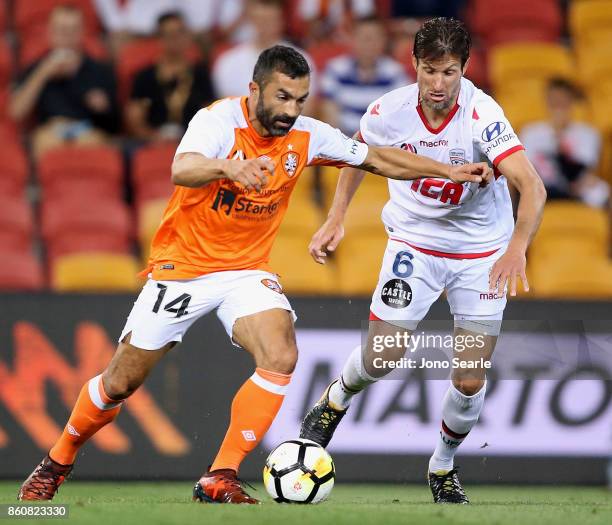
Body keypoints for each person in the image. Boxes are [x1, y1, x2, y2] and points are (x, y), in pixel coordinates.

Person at [17, 44, 491, 504]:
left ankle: (220, 475)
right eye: (282, 97)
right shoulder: (218, 120)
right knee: (120, 382)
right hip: (183, 268)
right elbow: (182, 169)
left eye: (300, 99)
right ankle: (57, 461)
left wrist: (444, 171)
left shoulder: (305, 134)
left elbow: (376, 157)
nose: (291, 109)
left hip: (244, 271)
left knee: (281, 352)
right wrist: (230, 167)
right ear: (255, 89)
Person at [299, 17, 547, 504]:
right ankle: (336, 399)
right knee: (383, 356)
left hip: (481, 253)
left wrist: (517, 247)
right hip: (414, 243)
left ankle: (442, 465)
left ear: (465, 69)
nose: (438, 84)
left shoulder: (482, 115)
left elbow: (532, 186)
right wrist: (336, 217)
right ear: (413, 64)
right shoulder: (389, 110)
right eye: (429, 71)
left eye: (449, 73)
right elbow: (358, 156)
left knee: (470, 376)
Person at [10, 5, 119, 159]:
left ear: (82, 33)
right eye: (61, 30)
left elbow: (115, 125)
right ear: (50, 32)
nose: (67, 37)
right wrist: (43, 73)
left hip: (87, 131)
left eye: (72, 30)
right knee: (45, 141)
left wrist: (103, 107)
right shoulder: (35, 68)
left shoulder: (100, 70)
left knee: (93, 144)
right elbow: (16, 112)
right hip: (50, 131)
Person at [212, 0, 317, 115]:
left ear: (281, 20)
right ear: (251, 19)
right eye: (260, 20)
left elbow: (305, 108)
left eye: (269, 20)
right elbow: (227, 109)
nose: (264, 26)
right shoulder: (229, 61)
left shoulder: (301, 60)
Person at [126, 12, 214, 142]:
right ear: (159, 39)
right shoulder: (145, 76)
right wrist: (152, 137)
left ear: (188, 36)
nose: (176, 40)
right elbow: (134, 118)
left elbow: (210, 114)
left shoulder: (200, 74)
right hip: (152, 143)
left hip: (194, 142)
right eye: (170, 35)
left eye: (180, 33)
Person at [520, 77, 608, 208]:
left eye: (563, 102)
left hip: (578, 187)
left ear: (571, 102)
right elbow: (525, 170)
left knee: (602, 191)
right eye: (555, 102)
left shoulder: (588, 133)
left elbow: (586, 169)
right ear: (547, 101)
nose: (559, 108)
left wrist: (559, 137)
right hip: (541, 187)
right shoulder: (530, 132)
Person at [320, 15, 411, 136]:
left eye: (375, 38)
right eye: (364, 38)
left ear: (384, 41)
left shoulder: (395, 73)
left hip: (381, 142)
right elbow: (329, 113)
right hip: (342, 141)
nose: (369, 44)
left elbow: (399, 117)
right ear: (352, 40)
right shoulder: (335, 69)